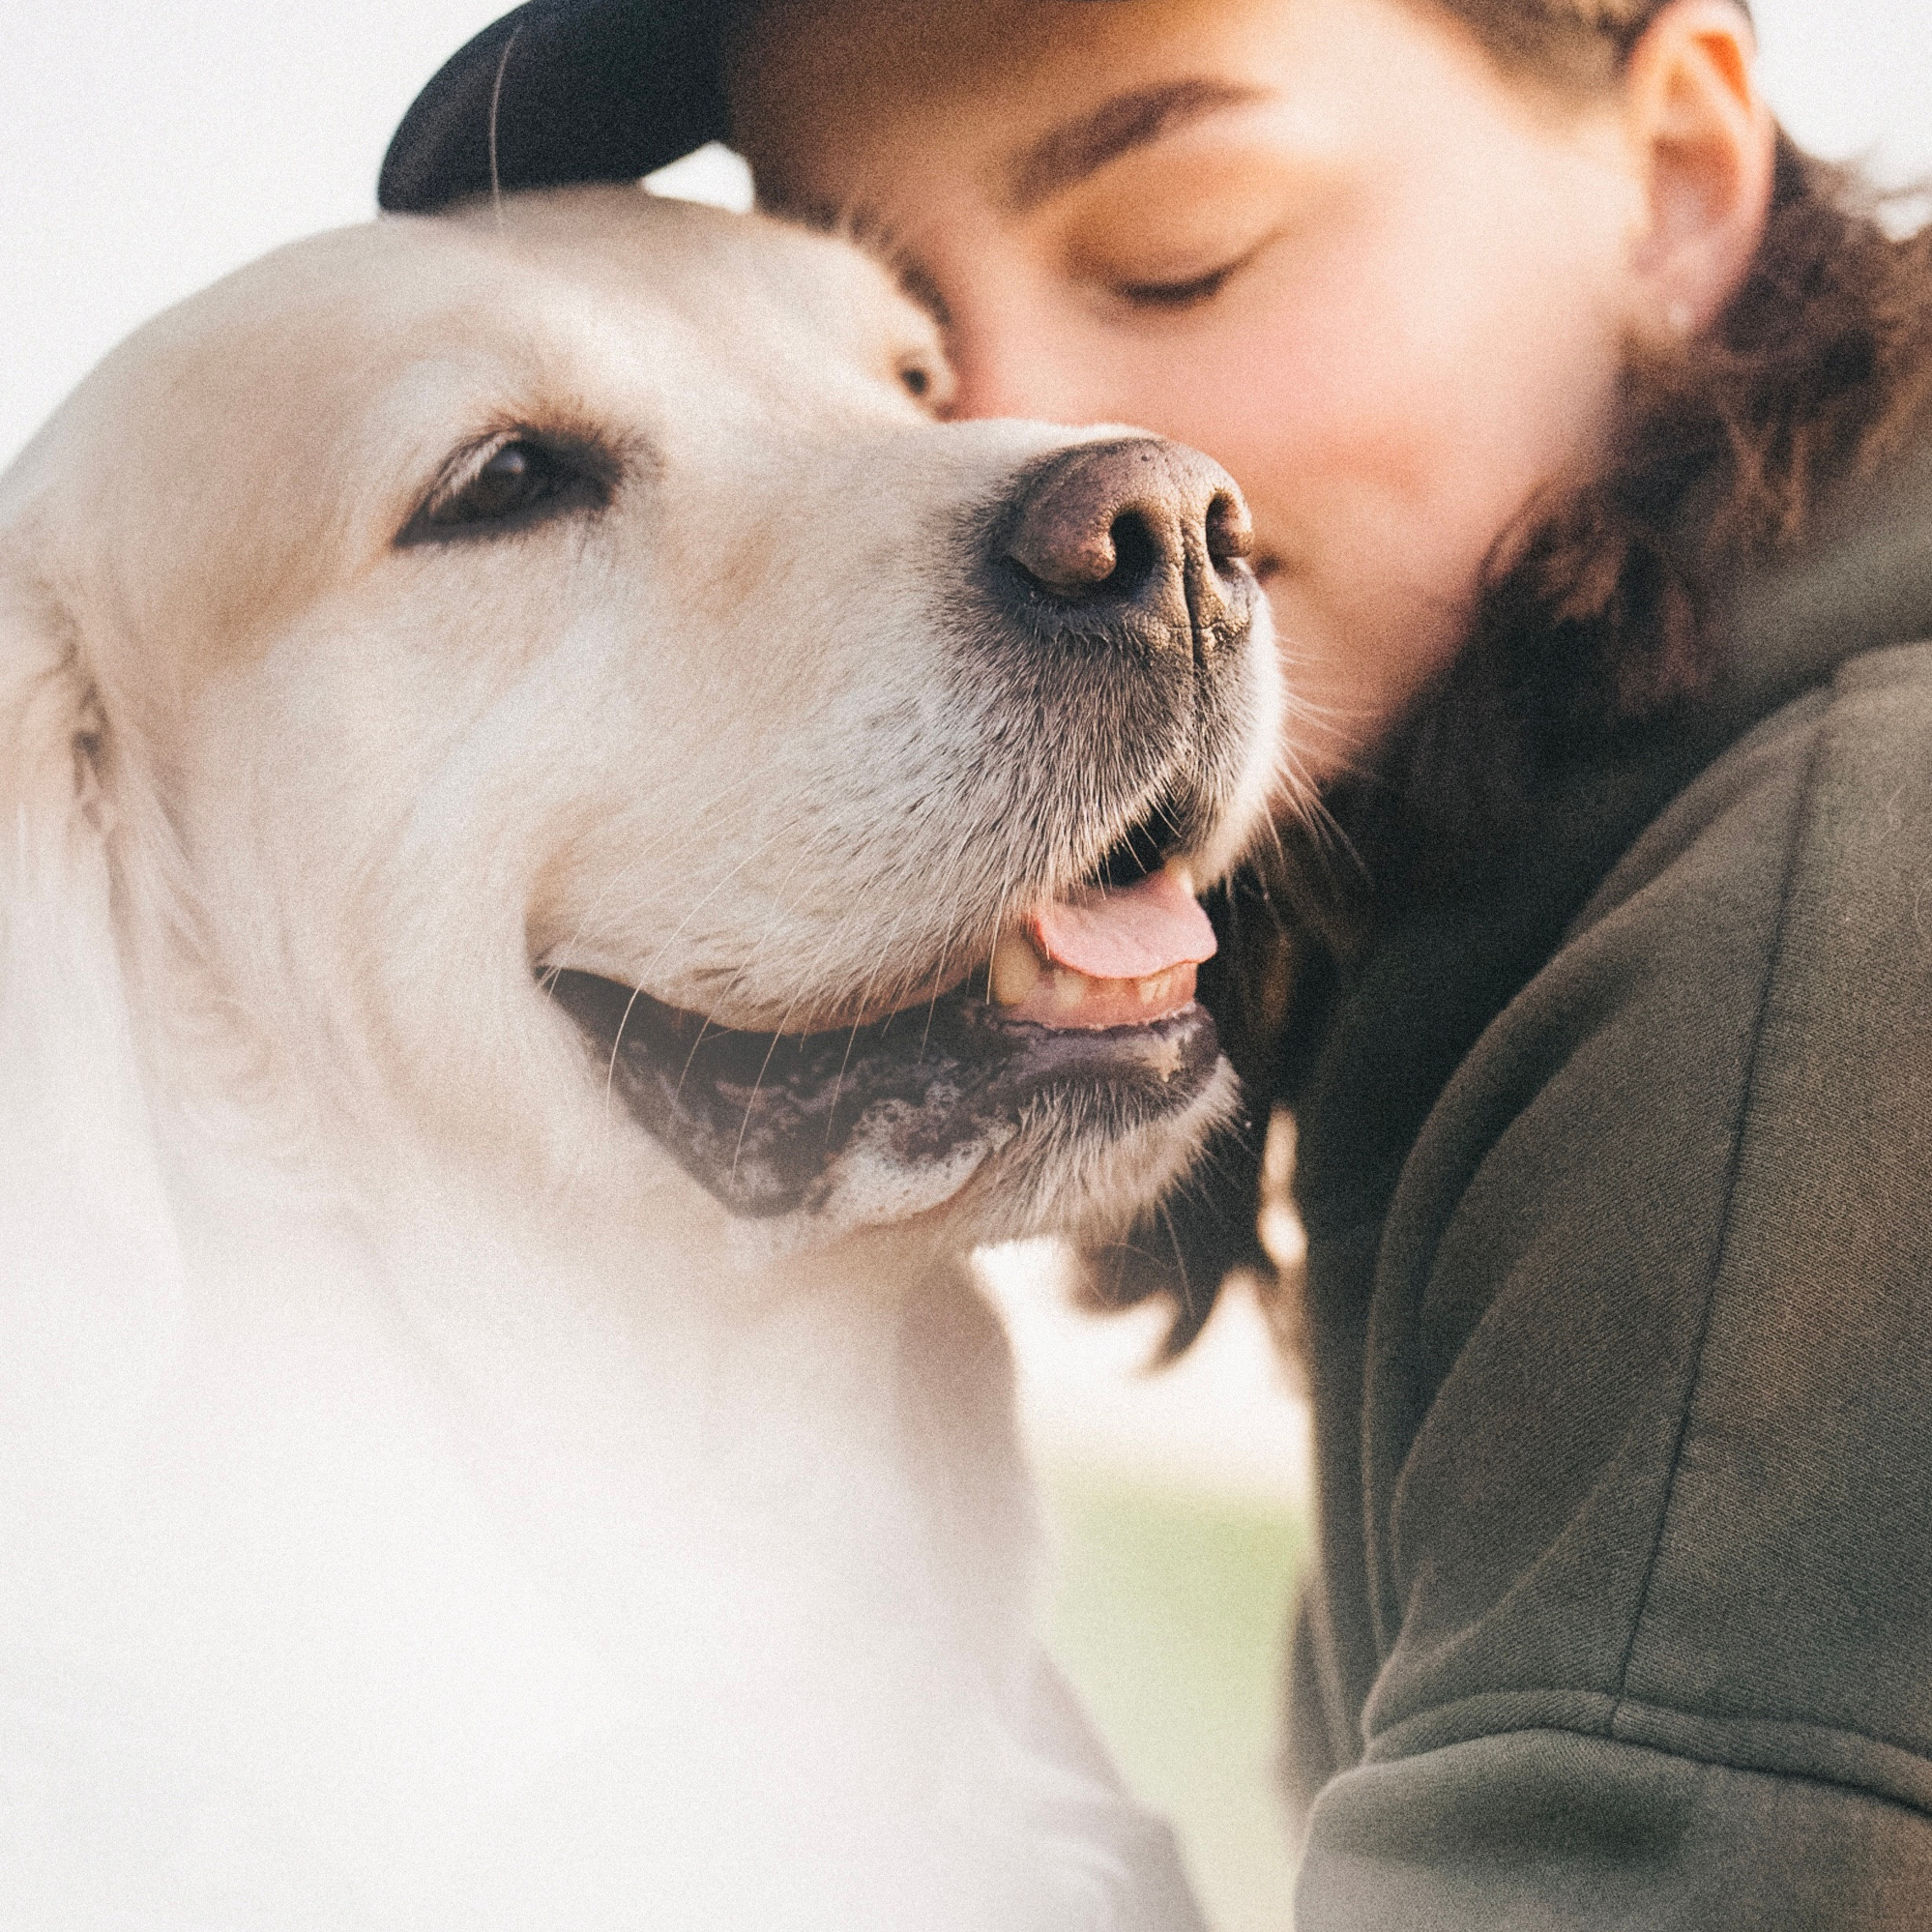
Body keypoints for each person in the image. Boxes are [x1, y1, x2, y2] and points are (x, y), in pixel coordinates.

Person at [385, 1, 1932, 1922]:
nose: (1014, 449)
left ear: (1682, 175)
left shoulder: (1812, 959)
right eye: (895, 353)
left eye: (1176, 256)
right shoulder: (1531, 870)